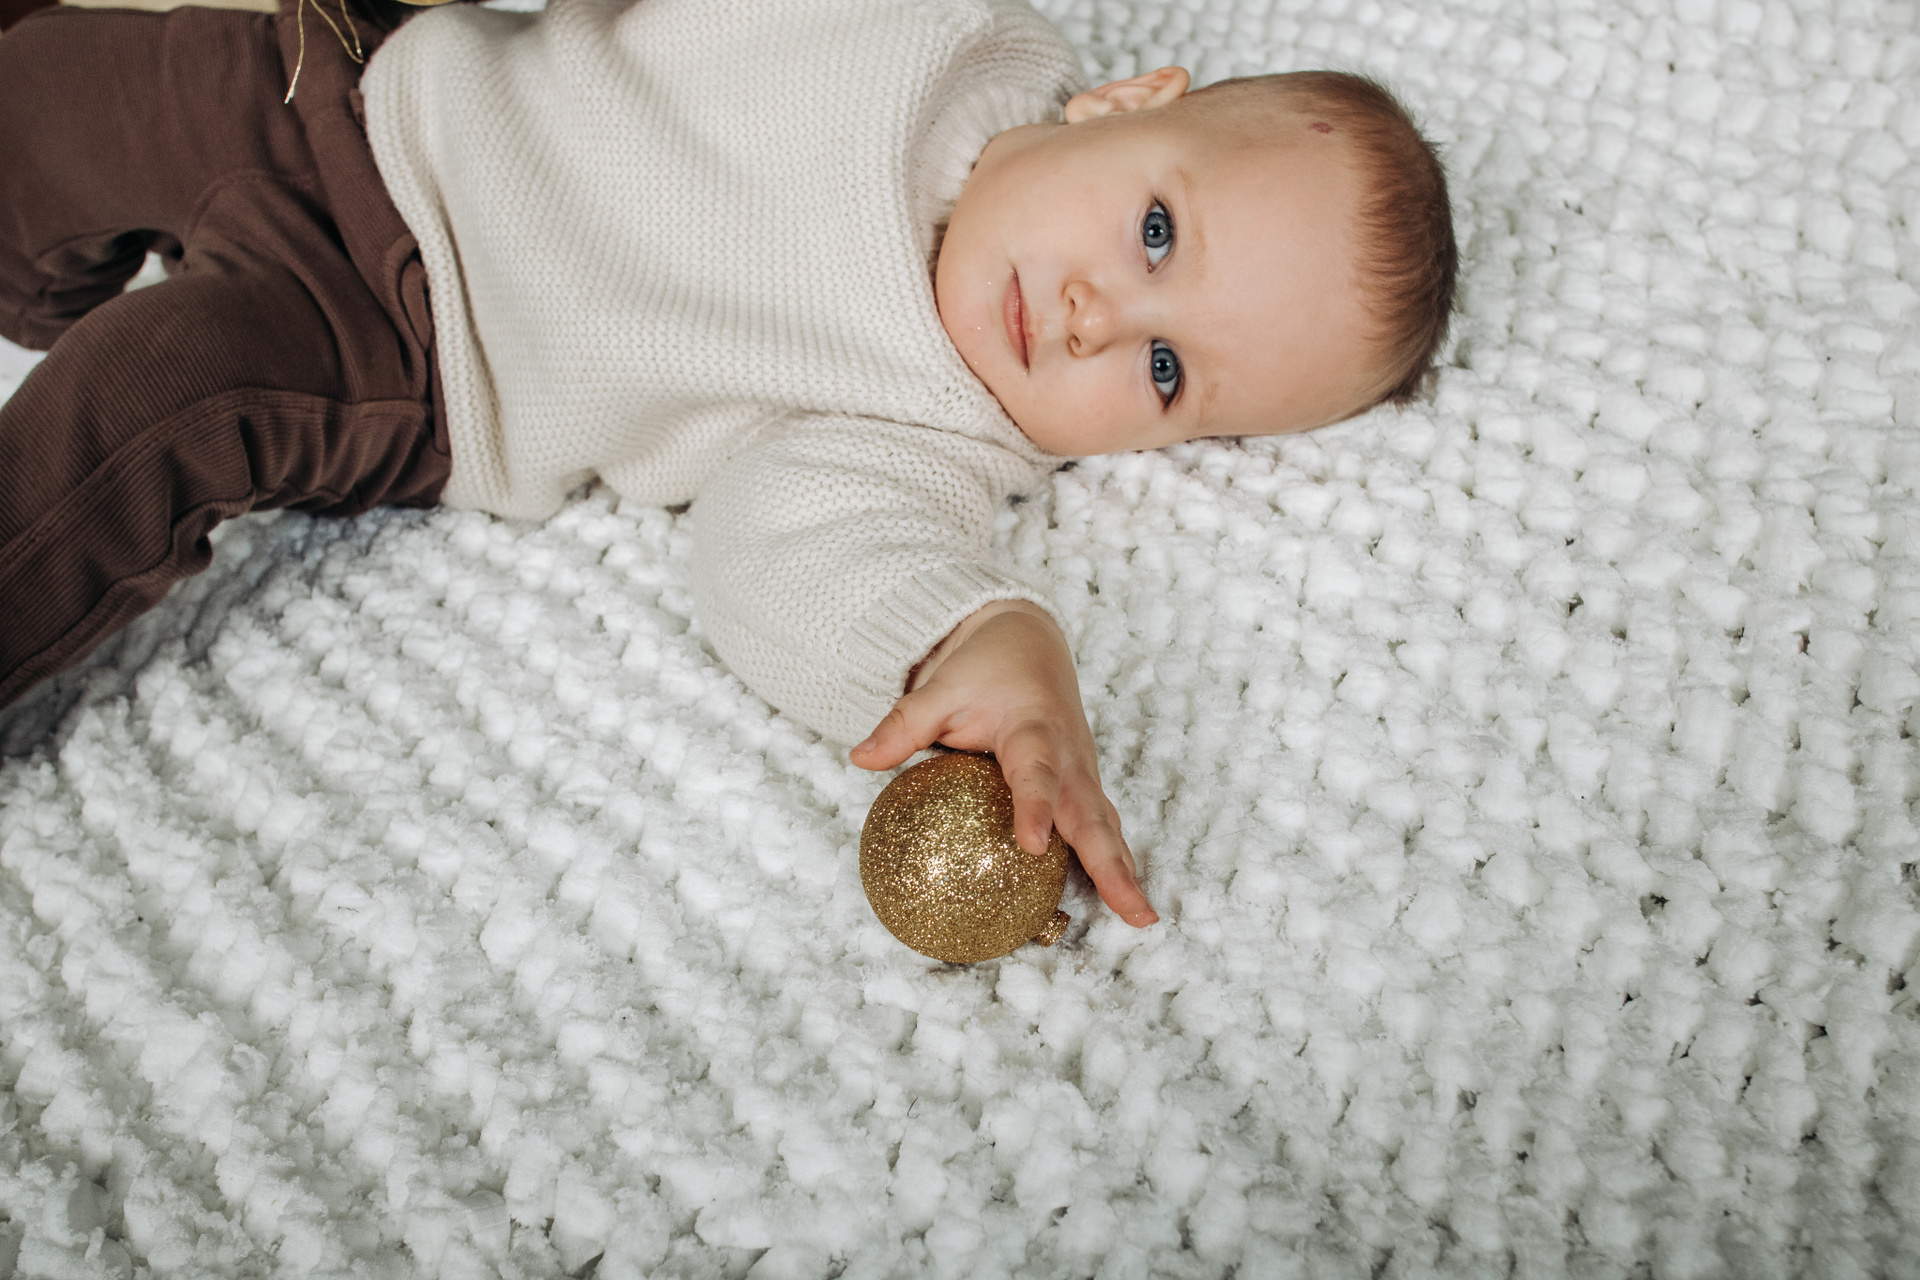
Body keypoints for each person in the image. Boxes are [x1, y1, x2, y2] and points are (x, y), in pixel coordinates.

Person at [0, 0, 1455, 931]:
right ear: (1125, 102)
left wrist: (979, 642)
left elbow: (786, 553)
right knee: (40, 99)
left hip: (395, 339)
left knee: (140, 406)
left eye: (1164, 371)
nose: (1096, 316)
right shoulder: (932, 31)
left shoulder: (933, 437)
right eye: (1155, 235)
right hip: (351, 81)